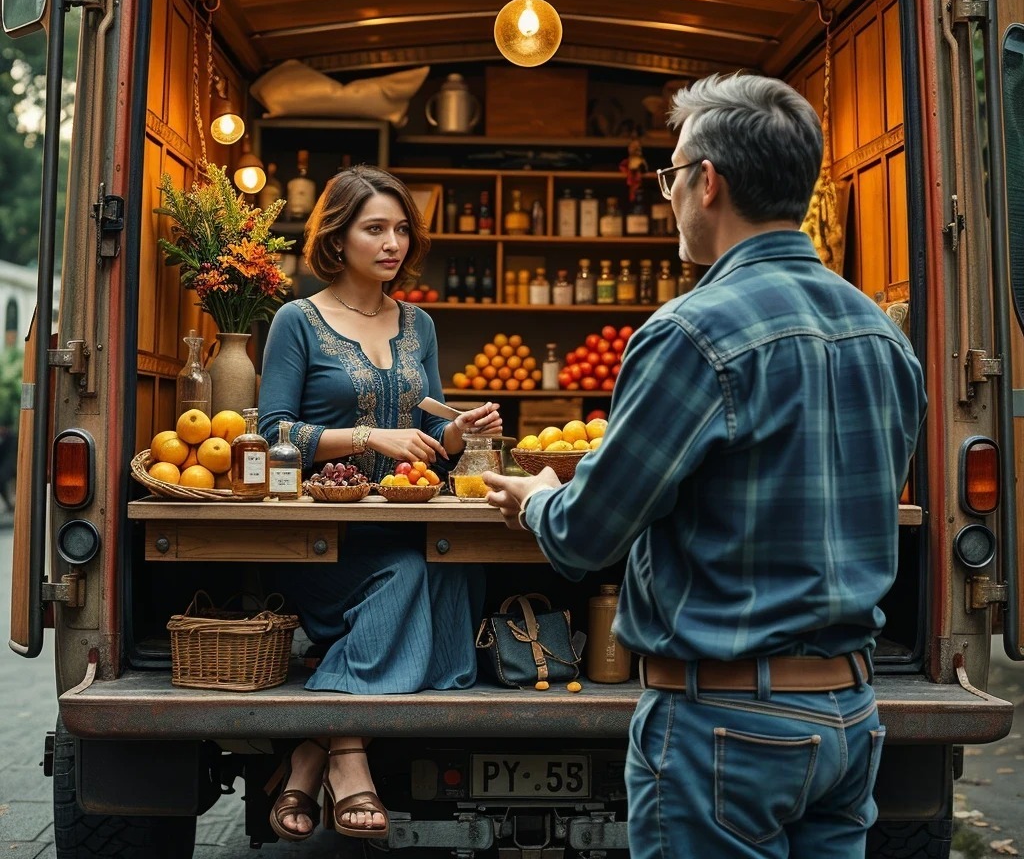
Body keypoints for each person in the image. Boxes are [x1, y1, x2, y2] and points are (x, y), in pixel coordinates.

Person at [483, 72, 927, 859]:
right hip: (851, 719)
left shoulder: (690, 333)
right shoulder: (882, 336)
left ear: (708, 181)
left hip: (724, 726)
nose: (668, 199)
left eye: (670, 177)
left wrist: (539, 498)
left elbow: (589, 534)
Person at [258, 163, 502, 843]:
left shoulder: (418, 323)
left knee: (456, 567)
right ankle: (346, 754)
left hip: (411, 524)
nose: (392, 242)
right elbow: (271, 431)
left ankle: (309, 748)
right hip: (325, 540)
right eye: (374, 229)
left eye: (400, 229)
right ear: (338, 239)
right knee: (413, 572)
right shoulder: (298, 320)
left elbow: (428, 437)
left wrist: (459, 431)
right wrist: (367, 434)